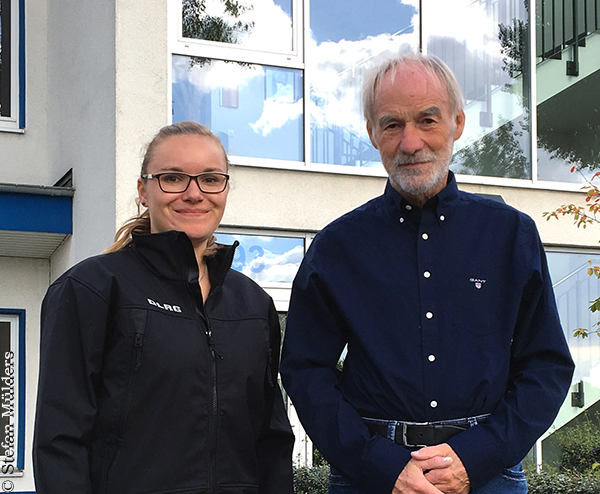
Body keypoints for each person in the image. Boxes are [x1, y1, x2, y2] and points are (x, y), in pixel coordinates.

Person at [280, 53, 574, 494]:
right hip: (371, 478)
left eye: (427, 120)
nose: (410, 142)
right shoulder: (336, 248)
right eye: (392, 124)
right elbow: (306, 371)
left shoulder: (511, 235)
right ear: (372, 133)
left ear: (457, 124)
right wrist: (378, 463)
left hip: (488, 475)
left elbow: (547, 365)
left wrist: (476, 457)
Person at [33, 121, 294, 494]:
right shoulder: (91, 289)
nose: (193, 193)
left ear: (225, 189)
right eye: (173, 178)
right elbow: (59, 441)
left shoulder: (253, 305)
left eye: (210, 178)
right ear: (143, 190)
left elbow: (272, 441)